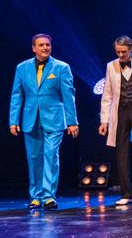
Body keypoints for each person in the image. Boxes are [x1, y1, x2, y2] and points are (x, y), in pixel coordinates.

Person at [9, 33, 79, 210]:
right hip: (30, 119)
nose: (45, 48)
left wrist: (72, 121)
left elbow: (68, 96)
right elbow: (17, 95)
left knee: (51, 155)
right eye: (41, 45)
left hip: (54, 119)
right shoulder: (22, 68)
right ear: (34, 48)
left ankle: (48, 196)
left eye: (47, 44)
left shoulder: (61, 67)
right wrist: (13, 120)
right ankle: (36, 196)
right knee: (34, 158)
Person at [99, 35, 132, 206]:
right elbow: (107, 94)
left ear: (131, 49)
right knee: (121, 152)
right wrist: (104, 121)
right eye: (118, 52)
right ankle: (126, 192)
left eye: (124, 51)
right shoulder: (111, 66)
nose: (121, 55)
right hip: (120, 111)